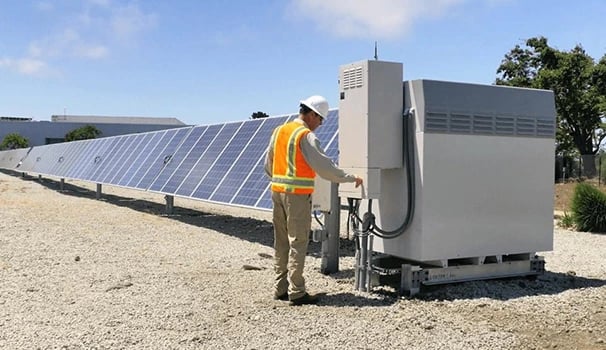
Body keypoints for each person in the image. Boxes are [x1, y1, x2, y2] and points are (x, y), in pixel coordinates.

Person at [264, 95, 363, 306]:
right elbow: (325, 167)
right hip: (296, 196)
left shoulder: (279, 131)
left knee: (281, 241)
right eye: (320, 120)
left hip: (277, 192)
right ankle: (297, 291)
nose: (320, 124)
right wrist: (349, 178)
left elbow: (268, 165)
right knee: (298, 241)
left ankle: (280, 288)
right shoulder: (304, 136)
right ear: (311, 114)